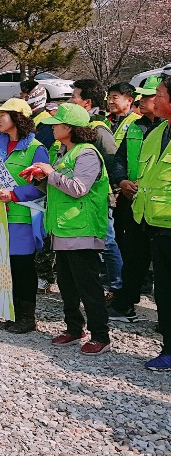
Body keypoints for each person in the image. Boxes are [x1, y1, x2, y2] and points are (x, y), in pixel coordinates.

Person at [31, 102, 111, 355]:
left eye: (57, 124)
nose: (52, 128)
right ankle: (74, 329)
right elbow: (58, 186)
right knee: (67, 284)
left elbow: (78, 188)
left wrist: (50, 173)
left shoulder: (87, 153)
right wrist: (41, 178)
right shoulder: (64, 151)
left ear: (70, 128)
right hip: (63, 229)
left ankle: (101, 336)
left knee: (88, 286)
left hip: (82, 230)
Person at [0, 98, 50, 333]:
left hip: (23, 216)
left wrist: (13, 194)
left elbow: (41, 186)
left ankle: (26, 317)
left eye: (3, 115)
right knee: (6, 266)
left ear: (18, 118)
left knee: (22, 266)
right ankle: (11, 312)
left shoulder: (36, 149)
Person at [110, 75, 165, 323]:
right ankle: (125, 303)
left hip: (160, 208)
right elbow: (120, 158)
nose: (141, 101)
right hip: (132, 201)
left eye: (149, 96)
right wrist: (122, 181)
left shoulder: (164, 129)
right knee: (132, 254)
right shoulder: (135, 126)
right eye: (140, 97)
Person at [127, 76, 171, 370]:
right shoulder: (158, 132)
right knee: (164, 292)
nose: (154, 100)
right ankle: (169, 348)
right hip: (155, 224)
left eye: (159, 95)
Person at [70, 78, 122, 298]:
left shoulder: (98, 130)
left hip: (99, 197)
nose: (70, 101)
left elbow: (112, 160)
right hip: (83, 197)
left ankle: (117, 288)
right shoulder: (80, 127)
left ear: (87, 103)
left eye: (74, 97)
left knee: (107, 241)